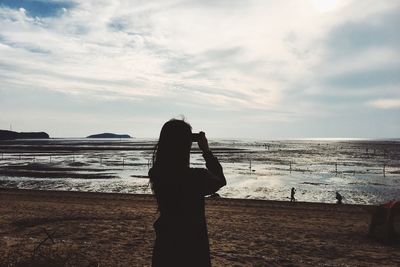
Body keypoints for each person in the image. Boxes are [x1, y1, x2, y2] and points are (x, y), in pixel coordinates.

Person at [149, 119, 226, 267]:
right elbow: (220, 180)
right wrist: (206, 151)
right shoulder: (196, 178)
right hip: (193, 248)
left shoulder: (157, 174)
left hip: (165, 246)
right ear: (186, 146)